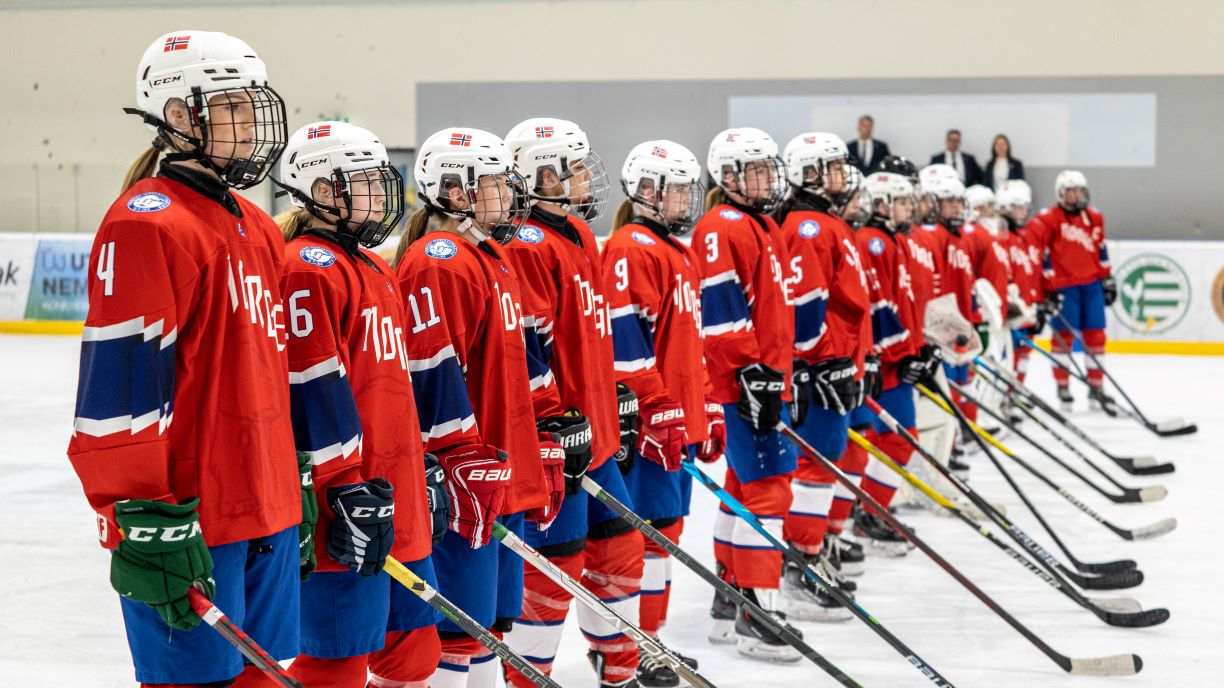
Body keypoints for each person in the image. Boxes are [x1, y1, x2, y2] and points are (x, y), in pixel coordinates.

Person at [67, 30, 301, 687]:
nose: (250, 122)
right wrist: (137, 514)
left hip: (267, 508)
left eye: (252, 105)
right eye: (232, 105)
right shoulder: (149, 224)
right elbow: (119, 392)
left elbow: (265, 369)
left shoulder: (255, 226)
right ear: (177, 115)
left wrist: (296, 478)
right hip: (192, 523)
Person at [275, 121, 444, 688]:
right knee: (335, 659)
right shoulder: (304, 268)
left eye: (379, 182)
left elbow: (391, 390)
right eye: (363, 183)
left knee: (414, 651)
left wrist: (420, 467)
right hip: (344, 505)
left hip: (394, 491)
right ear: (322, 191)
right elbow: (309, 394)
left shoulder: (373, 266)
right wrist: (339, 489)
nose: (379, 196)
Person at [393, 127, 550, 688]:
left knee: (490, 623)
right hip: (463, 483)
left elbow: (516, 365)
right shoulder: (440, 261)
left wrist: (543, 439)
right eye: (494, 185)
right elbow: (428, 374)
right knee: (459, 627)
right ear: (455, 192)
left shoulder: (491, 257)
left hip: (496, 475)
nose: (509, 195)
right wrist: (453, 460)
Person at [497, 118, 647, 688]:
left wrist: (612, 395)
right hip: (557, 445)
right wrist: (552, 421)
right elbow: (528, 346)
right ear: (538, 175)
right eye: (572, 168)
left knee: (619, 546)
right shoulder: (526, 244)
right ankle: (527, 676)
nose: (585, 178)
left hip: (595, 433)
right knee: (553, 563)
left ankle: (621, 664)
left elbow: (587, 335)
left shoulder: (582, 236)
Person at [601, 140, 716, 687]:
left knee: (665, 533)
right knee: (645, 537)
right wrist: (656, 406)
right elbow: (627, 345)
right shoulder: (631, 247)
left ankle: (652, 636)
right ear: (647, 191)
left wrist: (705, 405)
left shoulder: (676, 250)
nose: (687, 199)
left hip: (674, 425)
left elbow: (688, 347)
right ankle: (635, 646)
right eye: (678, 189)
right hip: (650, 429)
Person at [694, 127, 800, 662]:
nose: (768, 177)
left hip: (761, 378)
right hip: (744, 383)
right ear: (730, 176)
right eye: (757, 169)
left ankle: (730, 593)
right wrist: (751, 374)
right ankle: (755, 609)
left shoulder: (761, 225)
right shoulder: (722, 226)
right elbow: (721, 311)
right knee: (769, 488)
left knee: (744, 484)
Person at [774, 132, 871, 621]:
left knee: (824, 464)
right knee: (814, 469)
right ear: (809, 173)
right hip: (820, 371)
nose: (841, 175)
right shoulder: (810, 228)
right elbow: (805, 305)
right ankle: (801, 567)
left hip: (833, 365)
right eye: (831, 167)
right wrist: (817, 361)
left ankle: (810, 555)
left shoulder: (825, 223)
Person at [852, 172, 936, 553]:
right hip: (885, 364)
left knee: (893, 441)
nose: (910, 208)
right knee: (897, 441)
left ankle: (868, 509)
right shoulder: (872, 242)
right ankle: (868, 513)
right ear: (882, 203)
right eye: (902, 201)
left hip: (896, 359)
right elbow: (876, 307)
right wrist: (904, 354)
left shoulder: (892, 241)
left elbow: (902, 305)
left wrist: (920, 347)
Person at [1026, 170, 1117, 413]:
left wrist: (1107, 278)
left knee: (1096, 336)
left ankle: (1096, 386)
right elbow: (1039, 251)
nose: (1076, 195)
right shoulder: (1048, 219)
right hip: (1064, 287)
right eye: (1071, 191)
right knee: (1063, 337)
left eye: (1079, 190)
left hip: (1091, 285)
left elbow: (1101, 248)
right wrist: (1047, 285)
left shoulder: (1095, 217)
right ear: (1060, 194)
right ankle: (1063, 385)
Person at [995, 180, 1043, 386]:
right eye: (1017, 207)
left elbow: (1034, 272)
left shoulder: (1029, 234)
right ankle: (1003, 394)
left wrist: (1040, 302)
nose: (1023, 212)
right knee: (1006, 353)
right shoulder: (1000, 237)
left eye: (1025, 207)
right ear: (1005, 208)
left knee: (1024, 353)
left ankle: (1016, 390)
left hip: (1028, 307)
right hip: (1010, 310)